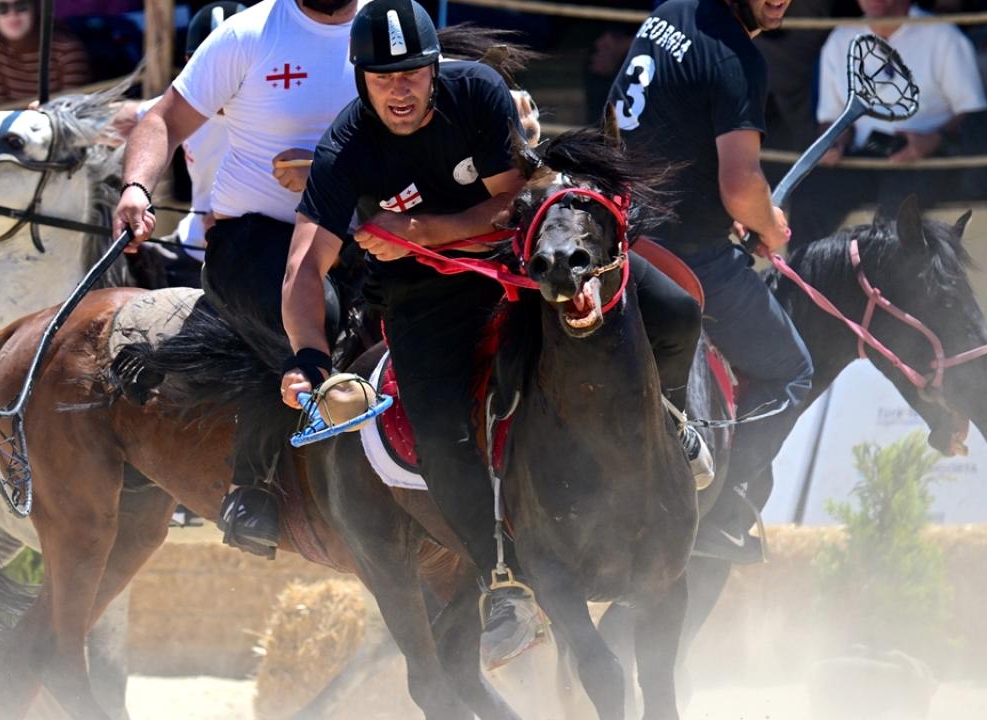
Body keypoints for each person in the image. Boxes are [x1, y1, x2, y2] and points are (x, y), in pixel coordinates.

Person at [279, 0, 703, 667]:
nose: (399, 90)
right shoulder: (343, 148)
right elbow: (305, 268)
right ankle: (503, 580)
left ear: (434, 67)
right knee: (440, 437)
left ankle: (672, 426)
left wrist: (421, 230)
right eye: (383, 77)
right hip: (426, 296)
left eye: (412, 73)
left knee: (677, 312)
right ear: (360, 78)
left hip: (520, 259)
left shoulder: (477, 91)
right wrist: (307, 359)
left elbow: (512, 202)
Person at [112, 0, 364, 556]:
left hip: (365, 240)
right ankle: (251, 487)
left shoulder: (389, 27)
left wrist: (327, 172)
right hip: (252, 241)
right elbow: (161, 120)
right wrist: (136, 188)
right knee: (316, 317)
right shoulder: (247, 35)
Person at [605, 0, 814, 564]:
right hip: (687, 255)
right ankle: (721, 513)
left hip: (621, 232)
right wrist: (768, 225)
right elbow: (741, 184)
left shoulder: (668, 13)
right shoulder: (738, 58)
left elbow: (634, 126)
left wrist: (734, 216)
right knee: (791, 371)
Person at [790, 0, 987, 241]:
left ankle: (891, 268)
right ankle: (798, 267)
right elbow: (831, 118)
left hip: (927, 160)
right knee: (809, 195)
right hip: (864, 156)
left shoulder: (942, 35)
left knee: (897, 215)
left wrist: (933, 140)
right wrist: (834, 143)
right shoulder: (841, 38)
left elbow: (973, 114)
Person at [136, 1, 248, 290]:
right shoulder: (182, 107)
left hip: (255, 259)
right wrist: (51, 117)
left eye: (229, 65)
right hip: (187, 249)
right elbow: (124, 119)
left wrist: (241, 225)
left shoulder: (281, 111)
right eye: (207, 65)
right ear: (189, 65)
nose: (220, 78)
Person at [0, 0, 91, 104]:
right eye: (2, 8)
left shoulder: (67, 50)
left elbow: (70, 108)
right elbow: (2, 105)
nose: (12, 14)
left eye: (21, 6)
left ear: (36, 9)